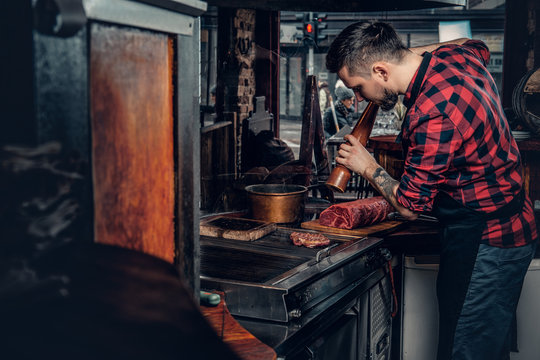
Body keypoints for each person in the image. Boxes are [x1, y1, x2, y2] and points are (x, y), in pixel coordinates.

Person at [326, 21, 538, 360]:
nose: (358, 97)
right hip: (512, 228)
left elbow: (410, 204)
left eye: (358, 87)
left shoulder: (433, 113)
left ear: (381, 70)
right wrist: (409, 54)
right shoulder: (457, 56)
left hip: (486, 242)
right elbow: (476, 43)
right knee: (486, 347)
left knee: (465, 351)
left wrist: (365, 165)